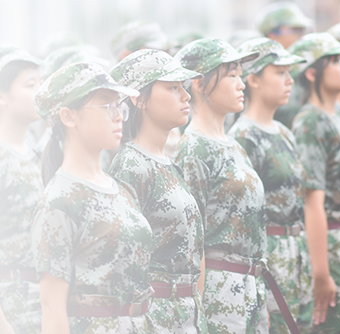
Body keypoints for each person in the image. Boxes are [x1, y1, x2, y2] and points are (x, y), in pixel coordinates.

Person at [30, 62, 154, 334]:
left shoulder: (122, 189)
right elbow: (52, 309)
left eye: (119, 106)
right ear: (69, 116)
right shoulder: (59, 202)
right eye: (106, 105)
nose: (119, 116)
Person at [174, 38, 273, 334]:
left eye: (240, 74)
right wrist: (199, 309)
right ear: (199, 83)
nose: (240, 83)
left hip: (250, 286)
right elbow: (194, 241)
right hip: (220, 292)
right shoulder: (194, 148)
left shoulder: (233, 145)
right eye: (231, 75)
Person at [107, 48, 203, 334]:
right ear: (138, 99)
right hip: (156, 317)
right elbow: (123, 262)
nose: (186, 96)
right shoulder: (130, 165)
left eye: (184, 87)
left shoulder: (169, 164)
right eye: (173, 88)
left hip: (188, 314)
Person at [284, 33, 340, 333]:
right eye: (335, 61)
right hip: (332, 250)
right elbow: (312, 202)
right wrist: (321, 274)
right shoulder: (311, 121)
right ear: (311, 73)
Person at [231, 37, 314, 334]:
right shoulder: (244, 137)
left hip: (297, 252)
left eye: (290, 72)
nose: (290, 81)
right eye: (279, 73)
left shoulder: (283, 131)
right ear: (253, 79)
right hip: (270, 257)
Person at [0, 47, 44, 334]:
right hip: (11, 305)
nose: (40, 92)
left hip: (41, 301)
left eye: (42, 83)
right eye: (30, 85)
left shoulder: (38, 151)